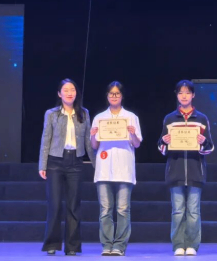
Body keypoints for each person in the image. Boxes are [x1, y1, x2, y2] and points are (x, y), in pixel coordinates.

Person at [38, 78, 96, 256]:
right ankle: (51, 244)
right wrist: (42, 164)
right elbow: (46, 139)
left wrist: (96, 164)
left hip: (76, 162)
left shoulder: (84, 113)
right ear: (59, 93)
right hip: (55, 161)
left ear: (76, 93)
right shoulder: (52, 114)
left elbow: (88, 141)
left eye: (72, 90)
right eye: (66, 90)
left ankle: (72, 246)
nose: (70, 93)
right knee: (55, 205)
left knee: (73, 205)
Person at [157, 80, 214, 256]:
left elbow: (210, 146)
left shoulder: (202, 118)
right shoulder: (169, 118)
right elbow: (161, 147)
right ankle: (178, 245)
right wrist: (164, 141)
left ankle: (192, 245)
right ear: (176, 95)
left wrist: (203, 142)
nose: (184, 96)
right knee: (177, 211)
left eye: (187, 92)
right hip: (175, 170)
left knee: (194, 211)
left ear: (193, 95)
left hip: (196, 171)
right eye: (181, 92)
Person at [90, 81, 142, 256]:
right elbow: (94, 145)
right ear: (107, 96)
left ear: (122, 96)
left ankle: (119, 245)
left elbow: (137, 143)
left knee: (122, 209)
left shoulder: (131, 117)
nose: (114, 96)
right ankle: (107, 245)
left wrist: (133, 133)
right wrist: (93, 135)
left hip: (124, 168)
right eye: (111, 93)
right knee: (105, 209)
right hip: (104, 168)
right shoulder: (99, 118)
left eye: (117, 93)